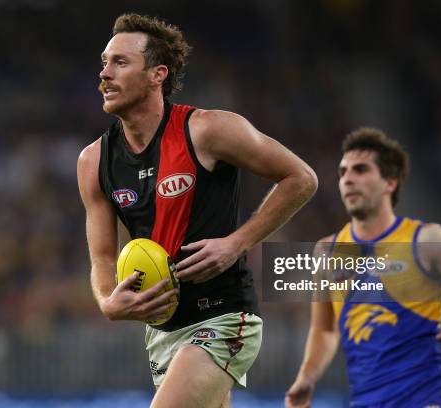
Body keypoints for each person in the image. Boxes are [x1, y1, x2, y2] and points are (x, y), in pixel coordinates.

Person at [77, 13, 318, 408]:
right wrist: (107, 301)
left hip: (223, 316)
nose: (105, 73)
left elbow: (301, 178)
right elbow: (102, 256)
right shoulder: (93, 162)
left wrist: (237, 243)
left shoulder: (207, 130)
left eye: (120, 62)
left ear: (158, 74)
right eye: (104, 62)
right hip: (162, 330)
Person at [285, 128, 441, 408]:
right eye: (343, 172)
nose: (348, 179)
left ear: (390, 182)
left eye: (361, 170)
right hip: (366, 401)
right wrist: (307, 377)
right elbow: (325, 330)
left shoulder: (430, 240)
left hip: (427, 397)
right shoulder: (327, 251)